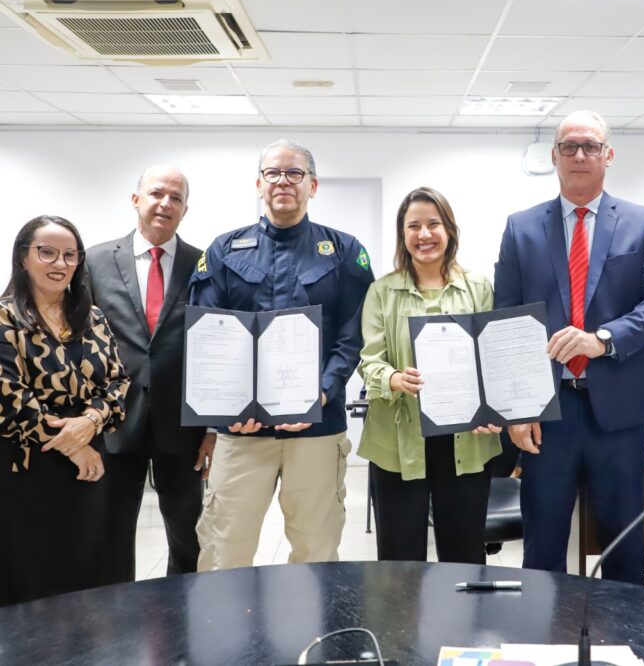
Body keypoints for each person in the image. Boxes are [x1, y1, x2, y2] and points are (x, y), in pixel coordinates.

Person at [494, 110, 644, 584]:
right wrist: (516, 410)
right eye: (569, 146)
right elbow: (506, 321)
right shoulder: (522, 227)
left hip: (618, 410)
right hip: (545, 412)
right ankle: (539, 645)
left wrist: (604, 339)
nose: (580, 155)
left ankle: (624, 646)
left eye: (590, 146)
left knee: (623, 542)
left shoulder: (642, 222)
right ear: (553, 156)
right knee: (543, 542)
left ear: (608, 154)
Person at [189, 139, 373, 571]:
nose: (283, 181)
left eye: (295, 173)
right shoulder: (222, 251)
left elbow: (353, 334)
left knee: (316, 550)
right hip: (242, 431)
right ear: (258, 183)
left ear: (313, 185)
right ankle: (222, 639)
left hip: (316, 428)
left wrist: (324, 393)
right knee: (224, 551)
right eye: (273, 173)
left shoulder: (344, 251)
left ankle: (313, 637)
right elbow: (208, 338)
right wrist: (226, 407)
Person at [358, 187, 501, 563]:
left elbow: (492, 359)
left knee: (464, 555)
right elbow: (369, 359)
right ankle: (402, 626)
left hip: (466, 441)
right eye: (414, 226)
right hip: (398, 440)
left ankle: (465, 624)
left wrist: (494, 409)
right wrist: (392, 378)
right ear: (403, 235)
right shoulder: (382, 291)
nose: (424, 235)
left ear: (449, 230)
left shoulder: (478, 287)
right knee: (400, 558)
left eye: (433, 224)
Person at [85, 166, 213, 582]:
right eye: (157, 193)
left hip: (183, 425)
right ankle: (116, 620)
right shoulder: (96, 260)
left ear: (186, 209)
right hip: (115, 421)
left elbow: (215, 347)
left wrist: (212, 428)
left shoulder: (204, 264)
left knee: (189, 535)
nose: (166, 203)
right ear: (136, 199)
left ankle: (185, 619)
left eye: (176, 198)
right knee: (111, 532)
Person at [0, 216, 130, 605]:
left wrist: (90, 422)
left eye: (70, 255)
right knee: (34, 574)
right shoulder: (5, 317)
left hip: (90, 468)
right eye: (47, 253)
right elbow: (8, 395)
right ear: (24, 258)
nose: (60, 263)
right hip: (29, 466)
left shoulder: (91, 316)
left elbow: (119, 382)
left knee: (86, 570)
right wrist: (73, 445)